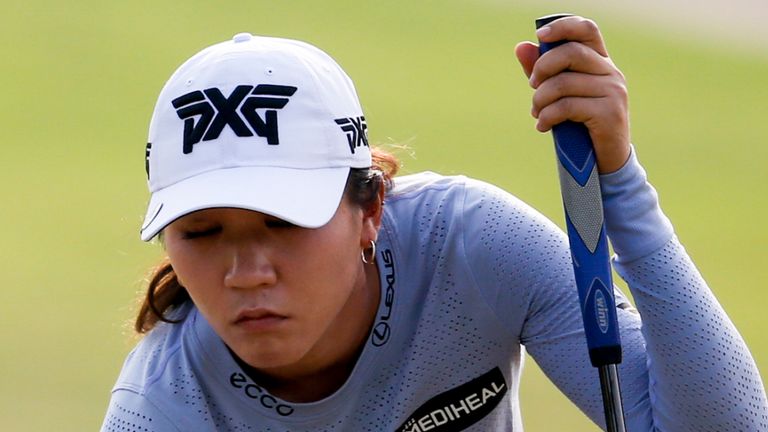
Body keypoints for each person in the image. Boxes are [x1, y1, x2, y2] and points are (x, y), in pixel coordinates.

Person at [101, 16, 767, 431]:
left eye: (284, 222)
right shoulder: (159, 409)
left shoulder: (470, 245)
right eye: (202, 233)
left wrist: (617, 179)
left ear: (370, 211)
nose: (246, 274)